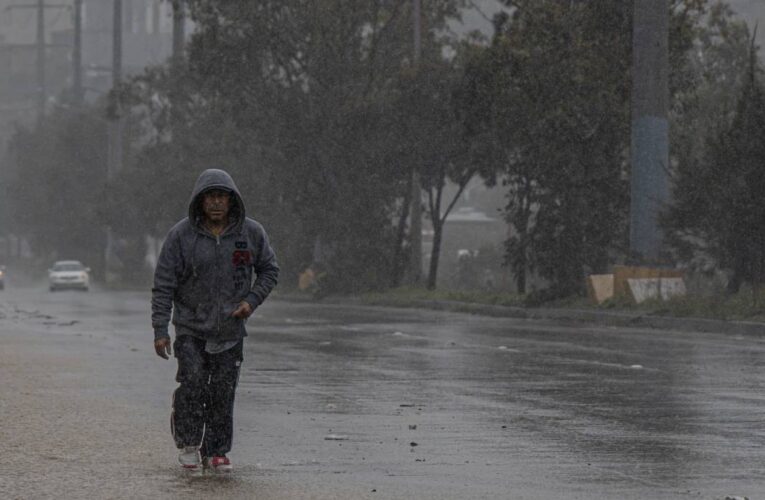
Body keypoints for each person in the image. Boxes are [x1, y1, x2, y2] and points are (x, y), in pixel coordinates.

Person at [151, 168, 279, 472]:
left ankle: (217, 450)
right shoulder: (180, 236)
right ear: (200, 201)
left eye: (223, 197)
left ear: (232, 201)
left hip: (231, 330)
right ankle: (189, 442)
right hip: (190, 328)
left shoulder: (251, 233)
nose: (217, 203)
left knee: (223, 391)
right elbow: (163, 284)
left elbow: (270, 271)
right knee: (193, 383)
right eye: (211, 197)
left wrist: (251, 301)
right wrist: (160, 329)